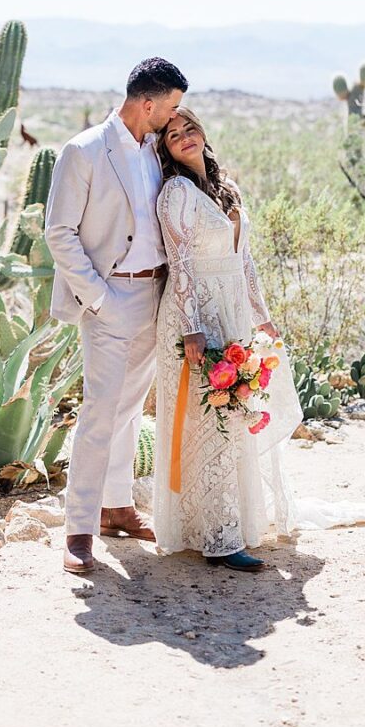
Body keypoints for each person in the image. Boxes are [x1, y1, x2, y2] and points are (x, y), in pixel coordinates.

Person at [46, 57, 188, 576]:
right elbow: (59, 232)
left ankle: (118, 507)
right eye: (171, 106)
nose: (175, 116)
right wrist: (99, 298)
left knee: (130, 410)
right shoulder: (83, 151)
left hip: (155, 295)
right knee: (100, 412)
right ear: (146, 103)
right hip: (109, 298)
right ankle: (78, 528)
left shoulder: (157, 149)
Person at [150, 105, 298, 569]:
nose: (184, 136)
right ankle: (216, 536)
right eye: (173, 134)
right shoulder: (175, 192)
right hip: (197, 316)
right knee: (210, 420)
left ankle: (239, 522)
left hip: (233, 309)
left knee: (239, 416)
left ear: (202, 132)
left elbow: (246, 261)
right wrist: (193, 326)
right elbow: (181, 264)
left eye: (189, 128)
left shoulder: (226, 188)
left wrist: (263, 316)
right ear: (167, 149)